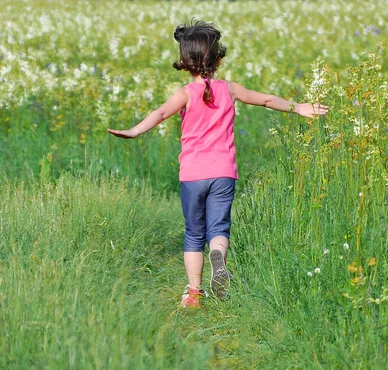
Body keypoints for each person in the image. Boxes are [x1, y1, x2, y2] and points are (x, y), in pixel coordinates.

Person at [108, 21, 328, 308]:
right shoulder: (231, 89)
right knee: (219, 228)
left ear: (185, 64)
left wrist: (135, 131)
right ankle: (218, 255)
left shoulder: (185, 93)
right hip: (223, 172)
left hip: (193, 175)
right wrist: (297, 107)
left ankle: (194, 293)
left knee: (193, 233)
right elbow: (264, 100)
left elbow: (161, 113)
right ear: (219, 59)